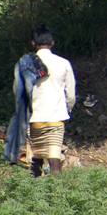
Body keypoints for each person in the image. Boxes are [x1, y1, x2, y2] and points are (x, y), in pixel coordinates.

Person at [25, 25, 76, 177]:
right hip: (56, 118)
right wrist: (67, 110)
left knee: (37, 158)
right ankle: (56, 193)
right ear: (52, 43)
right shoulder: (64, 63)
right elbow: (71, 94)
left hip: (35, 119)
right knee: (55, 158)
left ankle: (34, 193)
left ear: (33, 43)